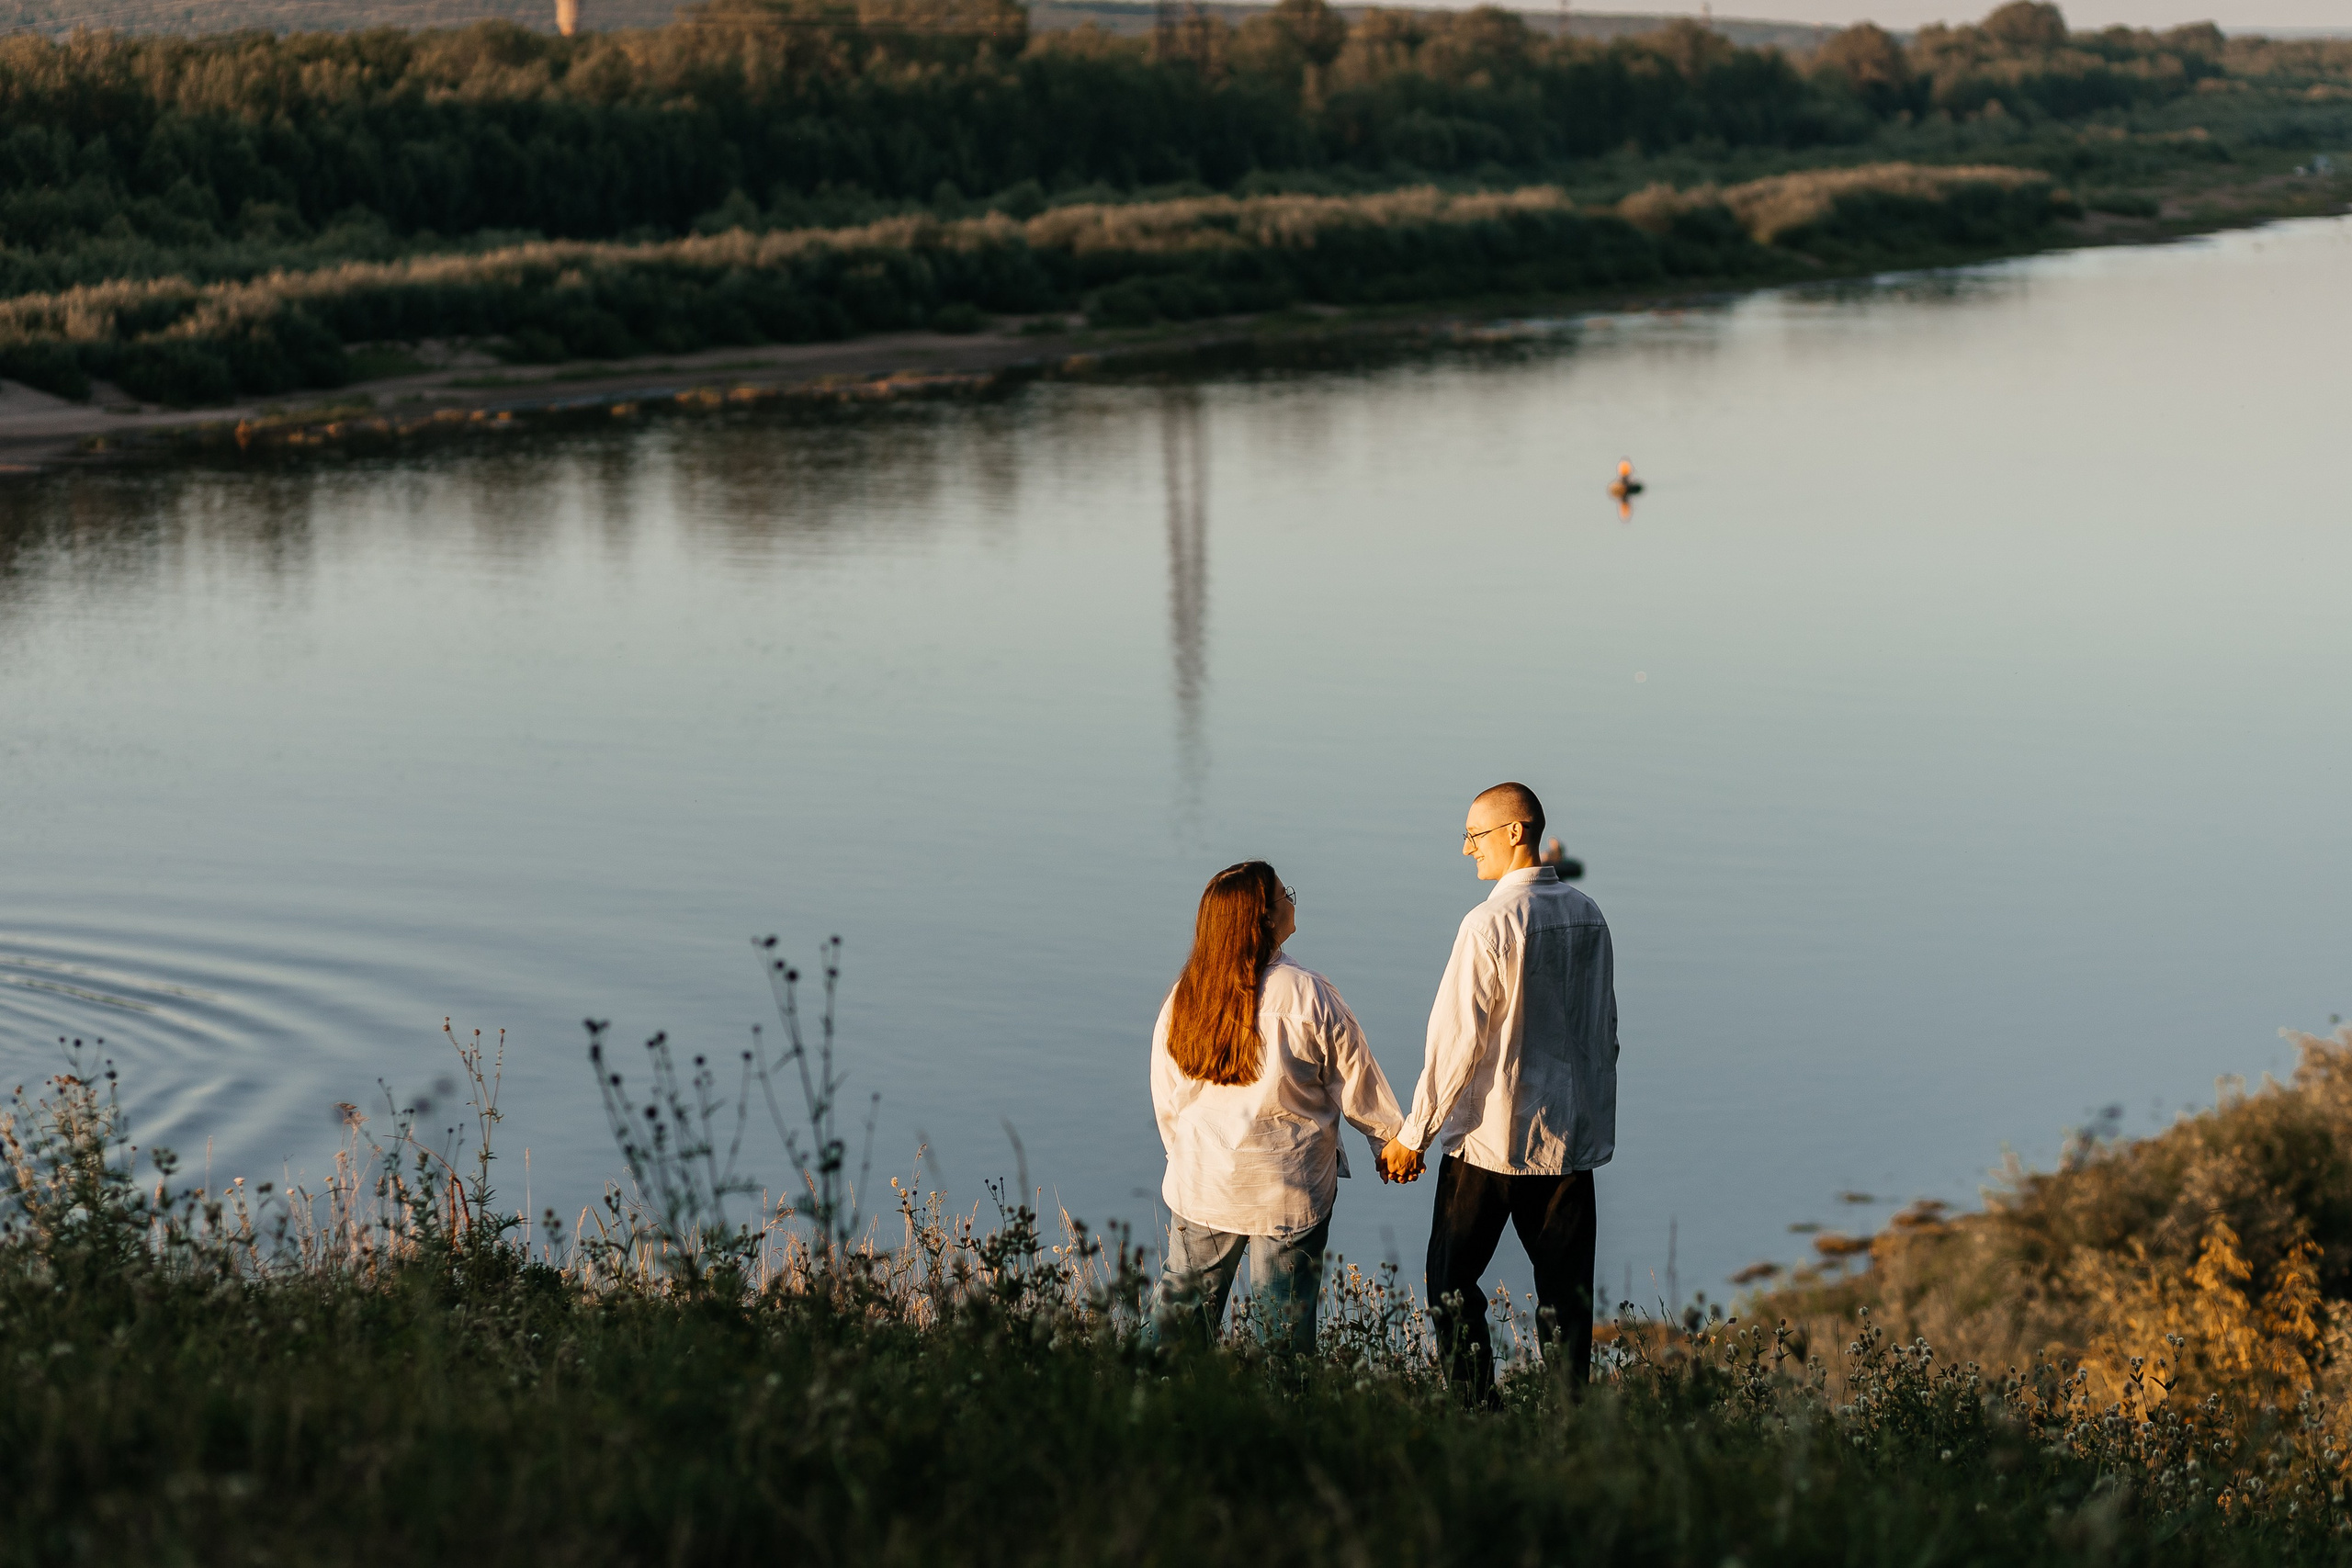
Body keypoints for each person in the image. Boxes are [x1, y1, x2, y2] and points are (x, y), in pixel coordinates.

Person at [1381, 782, 1619, 1396]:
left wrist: (1414, 1135)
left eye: (1475, 834)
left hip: (1492, 1138)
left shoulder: (1489, 923)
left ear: (1516, 831)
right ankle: (1569, 1420)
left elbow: (1456, 1043)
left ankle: (1475, 1410)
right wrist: (1594, 1122)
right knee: (1567, 1299)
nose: (1467, 849)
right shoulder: (1589, 914)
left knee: (1448, 1284)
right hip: (1568, 1140)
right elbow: (1603, 1029)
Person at [1148, 860, 1409, 1354]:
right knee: (1283, 1334)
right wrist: (1391, 1142)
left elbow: (1169, 1097)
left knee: (1178, 1321)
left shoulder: (1187, 995)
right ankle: (1282, 1401)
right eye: (1284, 894)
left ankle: (1142, 1391)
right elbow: (1355, 1079)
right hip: (1289, 1189)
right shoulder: (1306, 993)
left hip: (1204, 1182)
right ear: (1265, 918)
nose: (1292, 899)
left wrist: (1183, 1158)